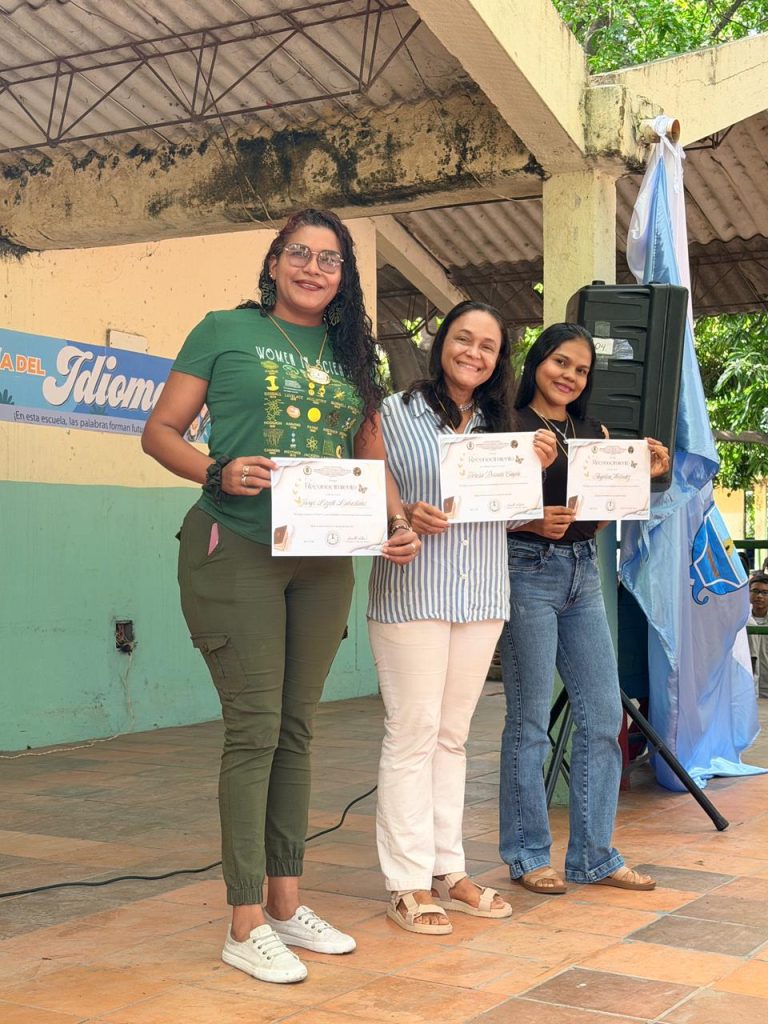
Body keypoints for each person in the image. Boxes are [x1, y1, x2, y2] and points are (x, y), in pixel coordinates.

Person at [142, 208, 419, 984]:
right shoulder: (222, 331)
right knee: (254, 728)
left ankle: (288, 905)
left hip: (323, 558)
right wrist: (213, 469)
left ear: (343, 277)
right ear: (273, 262)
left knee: (297, 729)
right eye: (298, 253)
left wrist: (395, 520)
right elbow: (159, 429)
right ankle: (243, 920)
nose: (312, 267)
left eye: (328, 259)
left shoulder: (351, 353)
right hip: (235, 550)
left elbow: (371, 452)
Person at [367, 301, 557, 934]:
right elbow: (369, 486)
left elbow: (506, 515)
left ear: (500, 360)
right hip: (413, 591)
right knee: (413, 731)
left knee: (452, 735)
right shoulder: (395, 413)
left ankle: (448, 869)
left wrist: (536, 477)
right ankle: (405, 881)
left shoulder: (504, 429)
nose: (474, 353)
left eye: (488, 346)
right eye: (463, 338)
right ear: (441, 341)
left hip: (480, 596)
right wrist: (402, 514)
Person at [498, 322, 670, 896]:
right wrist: (527, 515)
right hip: (526, 571)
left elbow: (599, 512)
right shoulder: (508, 423)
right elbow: (482, 504)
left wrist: (650, 473)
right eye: (560, 362)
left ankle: (593, 855)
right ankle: (527, 855)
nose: (569, 375)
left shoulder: (592, 431)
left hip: (582, 573)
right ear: (536, 362)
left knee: (603, 716)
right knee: (528, 721)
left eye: (580, 369)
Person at [748, 573, 768, 698]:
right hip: (747, 689)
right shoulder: (740, 620)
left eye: (765, 592)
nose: (759, 596)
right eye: (755, 591)